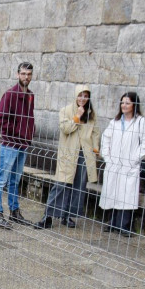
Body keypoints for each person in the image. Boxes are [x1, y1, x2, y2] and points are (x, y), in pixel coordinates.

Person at [35, 85, 100, 229]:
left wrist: (96, 147)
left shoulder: (91, 114)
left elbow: (95, 132)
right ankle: (48, 216)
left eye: (85, 95)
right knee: (61, 184)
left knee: (78, 185)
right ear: (75, 95)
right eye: (80, 95)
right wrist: (77, 116)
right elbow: (65, 129)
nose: (82, 98)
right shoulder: (66, 111)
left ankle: (67, 215)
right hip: (69, 153)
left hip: (84, 154)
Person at [100, 92, 145, 234]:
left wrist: (134, 159)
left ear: (134, 104)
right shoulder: (115, 122)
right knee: (113, 192)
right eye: (122, 102)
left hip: (130, 164)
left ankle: (124, 225)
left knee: (126, 195)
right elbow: (106, 139)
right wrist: (107, 157)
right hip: (114, 163)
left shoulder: (141, 122)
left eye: (128, 103)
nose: (124, 105)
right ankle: (112, 222)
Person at [0, 62, 35, 229]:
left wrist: (28, 134)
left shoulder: (30, 95)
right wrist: (17, 131)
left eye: (29, 74)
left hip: (23, 143)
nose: (26, 77)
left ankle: (14, 211)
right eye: (23, 74)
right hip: (10, 143)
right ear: (18, 74)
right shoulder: (10, 94)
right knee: (1, 179)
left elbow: (29, 118)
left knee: (15, 180)